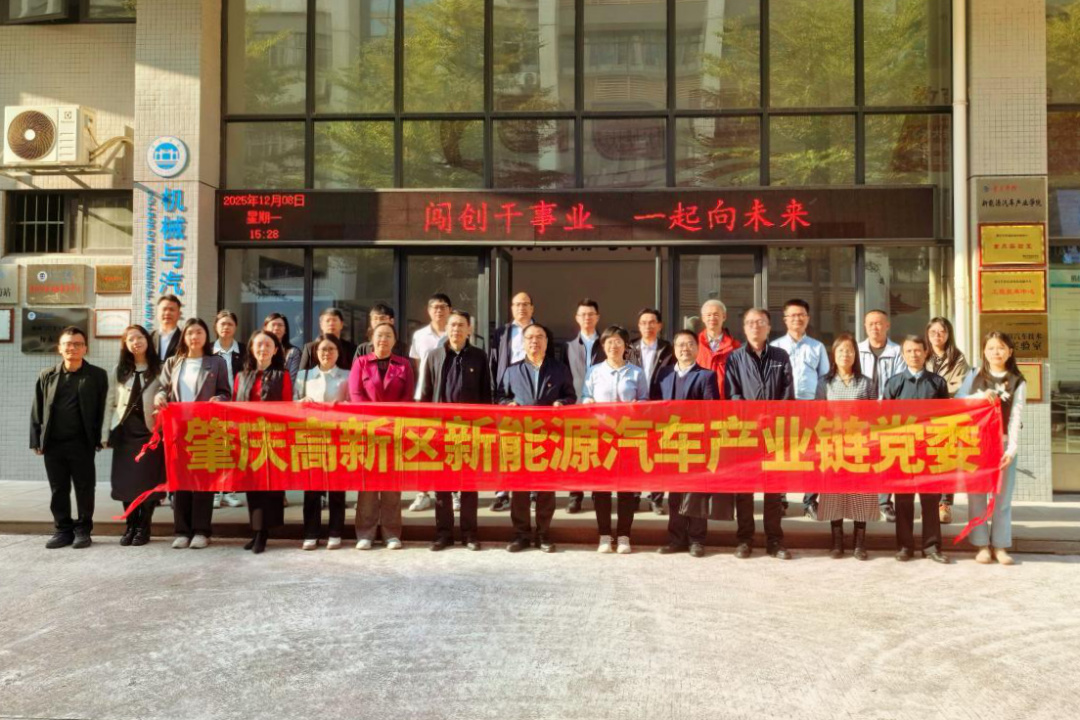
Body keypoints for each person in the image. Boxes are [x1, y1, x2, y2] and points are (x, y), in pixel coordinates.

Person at [497, 323, 575, 553]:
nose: (535, 341)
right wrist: (508, 404)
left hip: (549, 436)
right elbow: (500, 396)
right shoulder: (512, 371)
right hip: (520, 436)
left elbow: (570, 396)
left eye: (539, 337)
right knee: (519, 487)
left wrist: (561, 403)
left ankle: (543, 534)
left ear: (546, 342)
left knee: (546, 488)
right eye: (530, 337)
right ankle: (520, 535)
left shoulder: (559, 369)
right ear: (523, 343)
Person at [155, 318, 232, 549]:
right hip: (178, 429)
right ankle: (182, 531)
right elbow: (163, 388)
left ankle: (201, 531)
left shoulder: (216, 362)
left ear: (206, 336)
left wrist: (219, 399)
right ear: (184, 336)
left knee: (202, 482)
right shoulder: (173, 362)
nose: (194, 337)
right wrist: (160, 396)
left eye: (199, 332)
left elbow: (226, 392)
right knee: (180, 481)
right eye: (190, 333)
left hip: (205, 428)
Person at [724, 308, 794, 560]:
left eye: (760, 322)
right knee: (744, 490)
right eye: (751, 322)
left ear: (768, 327)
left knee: (773, 490)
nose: (755, 326)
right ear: (744, 328)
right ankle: (745, 540)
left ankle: (775, 541)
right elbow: (732, 393)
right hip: (746, 432)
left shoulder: (780, 356)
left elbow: (788, 392)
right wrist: (752, 417)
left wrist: (773, 417)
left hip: (775, 432)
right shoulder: (735, 358)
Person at [30, 326, 108, 550]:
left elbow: (103, 408)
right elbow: (37, 409)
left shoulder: (97, 375)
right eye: (67, 344)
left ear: (85, 348)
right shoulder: (47, 375)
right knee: (58, 489)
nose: (72, 348)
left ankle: (83, 530)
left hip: (82, 443)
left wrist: (102, 437)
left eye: (77, 344)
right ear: (59, 348)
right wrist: (36, 439)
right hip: (54, 444)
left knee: (85, 488)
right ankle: (62, 530)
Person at [421, 310, 492, 551]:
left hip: (469, 430)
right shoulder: (434, 355)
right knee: (442, 484)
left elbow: (486, 395)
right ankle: (443, 534)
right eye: (452, 325)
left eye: (461, 325)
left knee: (469, 484)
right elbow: (426, 393)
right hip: (441, 431)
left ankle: (469, 534)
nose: (456, 329)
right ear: (446, 328)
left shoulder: (479, 357)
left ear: (469, 330)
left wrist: (484, 429)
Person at [957, 331, 1026, 566]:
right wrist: (980, 396)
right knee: (976, 496)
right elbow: (959, 401)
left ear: (1010, 351)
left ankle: (1000, 545)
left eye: (1001, 347)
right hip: (976, 443)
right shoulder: (974, 375)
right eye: (991, 348)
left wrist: (1011, 449)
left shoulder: (1017, 381)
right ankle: (981, 545)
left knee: (1001, 498)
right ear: (984, 352)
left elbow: (1016, 416)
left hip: (1003, 444)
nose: (996, 352)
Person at [581, 325, 649, 554]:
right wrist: (588, 402)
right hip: (601, 438)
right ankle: (604, 535)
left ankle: (624, 536)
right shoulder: (594, 372)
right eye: (609, 342)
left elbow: (645, 400)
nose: (614, 346)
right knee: (601, 490)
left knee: (626, 490)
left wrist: (640, 406)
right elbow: (585, 396)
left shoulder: (636, 373)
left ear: (625, 345)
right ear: (603, 346)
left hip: (628, 438)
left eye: (618, 341)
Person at [882, 335, 950, 564]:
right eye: (909, 351)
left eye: (918, 350)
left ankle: (931, 546)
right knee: (903, 501)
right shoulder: (894, 383)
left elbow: (946, 418)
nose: (914, 355)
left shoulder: (938, 383)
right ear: (903, 355)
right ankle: (904, 546)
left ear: (926, 352)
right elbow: (885, 420)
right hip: (902, 450)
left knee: (930, 500)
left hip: (929, 450)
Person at [653, 330, 720, 557]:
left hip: (696, 443)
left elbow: (711, 411)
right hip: (670, 443)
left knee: (696, 492)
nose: (685, 349)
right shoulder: (663, 375)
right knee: (675, 493)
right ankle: (676, 539)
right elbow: (654, 407)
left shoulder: (706, 376)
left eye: (690, 344)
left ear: (697, 348)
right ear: (674, 349)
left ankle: (697, 540)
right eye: (680, 344)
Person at [349, 322, 415, 550]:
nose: (383, 339)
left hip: (394, 431)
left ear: (395, 340)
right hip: (367, 431)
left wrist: (390, 422)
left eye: (388, 335)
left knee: (392, 484)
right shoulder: (360, 363)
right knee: (367, 484)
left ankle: (391, 533)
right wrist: (374, 422)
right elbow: (355, 395)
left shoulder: (404, 365)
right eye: (379, 335)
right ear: (371, 338)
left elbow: (408, 397)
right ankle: (365, 533)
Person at [814, 333, 878, 561]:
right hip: (833, 447)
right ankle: (837, 542)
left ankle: (859, 543)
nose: (845, 354)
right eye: (841, 350)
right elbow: (818, 415)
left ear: (855, 354)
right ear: (833, 354)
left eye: (849, 350)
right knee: (835, 495)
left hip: (859, 447)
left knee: (860, 494)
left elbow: (874, 417)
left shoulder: (866, 383)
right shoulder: (824, 383)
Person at [488, 291, 553, 512]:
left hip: (535, 396)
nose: (521, 308)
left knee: (535, 446)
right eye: (517, 304)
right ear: (511, 308)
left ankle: (533, 491)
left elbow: (551, 364)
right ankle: (503, 492)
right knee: (508, 447)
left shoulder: (541, 332)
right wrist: (499, 397)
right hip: (510, 396)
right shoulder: (502, 333)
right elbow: (494, 363)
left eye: (525, 304)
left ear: (532, 308)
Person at [101, 325, 164, 547]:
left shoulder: (160, 369)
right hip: (125, 434)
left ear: (147, 340)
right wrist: (105, 433)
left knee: (147, 483)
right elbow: (110, 403)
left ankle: (144, 527)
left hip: (150, 434)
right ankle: (130, 525)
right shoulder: (118, 371)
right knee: (126, 483)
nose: (136, 342)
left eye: (139, 337)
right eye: (130, 339)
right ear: (125, 345)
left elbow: (167, 394)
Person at [771, 299, 831, 519]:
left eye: (801, 315)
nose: (797, 319)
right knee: (781, 454)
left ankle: (810, 501)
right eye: (793, 315)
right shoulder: (775, 347)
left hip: (810, 406)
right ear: (785, 319)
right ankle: (779, 499)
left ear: (808, 318)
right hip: (783, 407)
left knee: (812, 455)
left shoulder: (817, 347)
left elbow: (825, 378)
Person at [233, 330, 290, 554]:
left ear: (275, 350)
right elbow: (234, 406)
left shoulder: (282, 375)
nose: (263, 349)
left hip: (272, 439)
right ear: (251, 348)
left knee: (269, 488)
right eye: (259, 344)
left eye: (268, 345)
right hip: (247, 439)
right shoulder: (241, 376)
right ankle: (256, 530)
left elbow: (287, 407)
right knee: (252, 488)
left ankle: (263, 533)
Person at [296, 335, 350, 550]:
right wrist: (301, 402)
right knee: (311, 489)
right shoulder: (304, 375)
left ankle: (335, 532)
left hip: (338, 438)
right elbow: (292, 402)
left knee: (337, 488)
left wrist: (344, 406)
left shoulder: (347, 375)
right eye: (322, 349)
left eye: (331, 349)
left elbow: (354, 403)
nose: (326, 353)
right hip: (311, 438)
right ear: (315, 352)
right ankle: (311, 533)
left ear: (338, 352)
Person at [858, 309, 905, 522]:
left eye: (879, 323)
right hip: (861, 412)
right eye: (870, 324)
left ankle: (884, 503)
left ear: (887, 325)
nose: (874, 327)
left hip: (888, 413)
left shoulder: (898, 351)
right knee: (862, 457)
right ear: (864, 327)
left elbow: (899, 381)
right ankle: (863, 501)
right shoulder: (857, 350)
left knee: (886, 459)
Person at [628, 307, 675, 515]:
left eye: (652, 322)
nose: (648, 326)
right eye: (643, 323)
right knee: (634, 454)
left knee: (658, 455)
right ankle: (634, 495)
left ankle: (656, 498)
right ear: (639, 326)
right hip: (634, 409)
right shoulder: (630, 348)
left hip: (659, 408)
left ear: (659, 325)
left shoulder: (668, 349)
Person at [925, 316, 971, 524]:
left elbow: (960, 385)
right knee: (927, 461)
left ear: (948, 334)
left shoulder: (958, 358)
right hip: (924, 417)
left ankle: (944, 504)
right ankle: (929, 503)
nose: (937, 335)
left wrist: (932, 390)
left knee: (946, 461)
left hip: (949, 416)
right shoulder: (922, 354)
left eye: (942, 331)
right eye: (933, 332)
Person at [408, 293, 452, 511]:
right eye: (435, 307)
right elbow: (418, 366)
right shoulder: (419, 335)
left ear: (450, 310)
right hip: (425, 397)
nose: (439, 310)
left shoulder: (455, 332)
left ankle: (453, 491)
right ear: (428, 311)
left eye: (443, 307)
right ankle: (423, 492)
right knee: (425, 444)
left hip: (450, 398)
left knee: (451, 444)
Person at [563, 299, 604, 515]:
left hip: (602, 408)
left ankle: (598, 494)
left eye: (591, 314)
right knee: (575, 453)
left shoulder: (608, 343)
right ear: (577, 318)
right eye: (583, 314)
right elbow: (563, 376)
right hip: (576, 406)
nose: (587, 318)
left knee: (600, 452)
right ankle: (575, 496)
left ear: (597, 317)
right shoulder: (568, 347)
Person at [212, 309, 245, 509]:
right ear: (216, 326)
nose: (226, 327)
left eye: (230, 324)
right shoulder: (208, 350)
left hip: (238, 407)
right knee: (216, 448)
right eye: (222, 323)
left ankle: (230, 490)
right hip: (215, 405)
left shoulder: (244, 351)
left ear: (236, 327)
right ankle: (216, 491)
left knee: (233, 449)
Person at [696, 299, 741, 397]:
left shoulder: (735, 346)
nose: (712, 318)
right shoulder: (695, 344)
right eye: (708, 315)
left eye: (716, 314)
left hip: (726, 400)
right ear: (703, 318)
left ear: (724, 316)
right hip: (700, 400)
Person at [300, 307, 357, 372]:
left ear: (341, 324)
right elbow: (302, 374)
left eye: (334, 320)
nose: (331, 323)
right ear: (321, 325)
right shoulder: (310, 348)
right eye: (328, 321)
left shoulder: (352, 348)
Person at [264, 312, 301, 386]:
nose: (276, 328)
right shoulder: (258, 350)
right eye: (273, 325)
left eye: (280, 325)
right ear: (265, 328)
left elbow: (291, 381)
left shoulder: (293, 352)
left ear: (285, 330)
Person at [151, 294, 182, 361]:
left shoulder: (184, 338)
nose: (167, 313)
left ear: (179, 314)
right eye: (164, 309)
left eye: (171, 310)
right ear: (157, 313)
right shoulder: (149, 337)